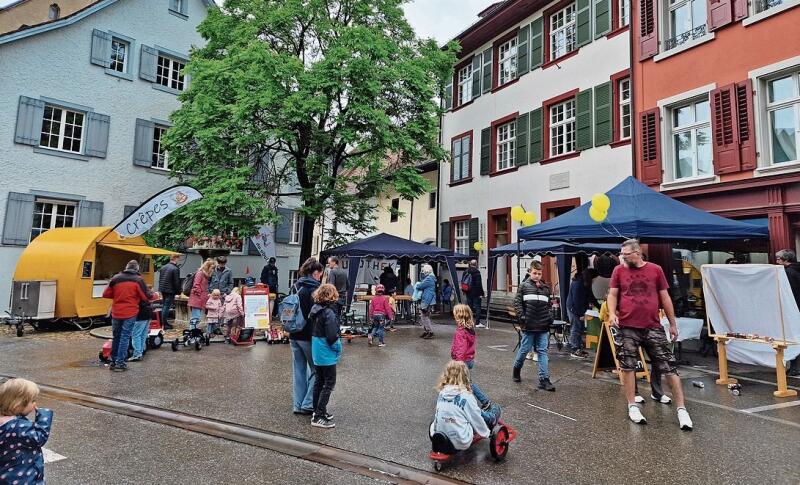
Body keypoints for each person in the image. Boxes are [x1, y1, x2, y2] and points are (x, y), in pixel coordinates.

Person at [607, 239, 692, 429]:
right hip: (627, 325)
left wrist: (672, 324)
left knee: (668, 366)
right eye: (622, 254)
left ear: (637, 253)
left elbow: (665, 297)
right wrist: (612, 313)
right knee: (627, 365)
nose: (622, 258)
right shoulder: (618, 271)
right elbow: (612, 294)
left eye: (626, 254)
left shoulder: (655, 270)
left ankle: (682, 409)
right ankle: (632, 405)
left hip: (652, 325)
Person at [429, 360, 501, 452]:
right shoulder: (467, 396)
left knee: (444, 414)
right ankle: (492, 418)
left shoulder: (442, 393)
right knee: (488, 410)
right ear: (465, 376)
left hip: (439, 438)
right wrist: (486, 433)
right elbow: (476, 418)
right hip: (461, 441)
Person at [512, 261, 556, 391]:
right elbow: (517, 303)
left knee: (542, 351)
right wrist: (523, 318)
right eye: (535, 273)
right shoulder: (523, 286)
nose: (537, 275)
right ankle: (516, 369)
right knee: (524, 349)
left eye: (539, 273)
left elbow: (549, 306)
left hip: (543, 325)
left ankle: (544, 379)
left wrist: (550, 317)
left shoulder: (545, 289)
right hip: (529, 325)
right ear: (529, 272)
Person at [0, 378, 53, 484]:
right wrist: (43, 417)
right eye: (32, 401)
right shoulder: (18, 426)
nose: (34, 404)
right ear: (18, 405)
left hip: (6, 475)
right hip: (23, 477)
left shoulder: (4, 421)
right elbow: (39, 438)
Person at [103, 260, 152, 372]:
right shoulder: (138, 280)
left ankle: (113, 361)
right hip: (130, 312)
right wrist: (153, 295)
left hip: (116, 312)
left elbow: (106, 294)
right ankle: (120, 363)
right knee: (125, 337)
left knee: (117, 336)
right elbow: (146, 296)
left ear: (126, 267)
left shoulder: (115, 278)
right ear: (137, 269)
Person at [290, 257, 324, 415]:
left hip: (294, 332)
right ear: (316, 273)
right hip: (309, 335)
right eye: (320, 274)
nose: (320, 277)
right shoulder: (316, 289)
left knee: (299, 370)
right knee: (318, 370)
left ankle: (298, 404)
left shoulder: (295, 286)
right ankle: (308, 403)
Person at [308, 283, 343, 428]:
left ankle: (316, 410)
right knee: (329, 383)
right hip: (326, 351)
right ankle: (319, 415)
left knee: (319, 381)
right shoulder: (328, 312)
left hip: (317, 349)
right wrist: (338, 348)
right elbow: (332, 336)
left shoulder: (315, 309)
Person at [450, 304, 492, 405]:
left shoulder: (461, 332)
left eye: (455, 315)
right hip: (468, 359)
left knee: (467, 383)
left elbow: (461, 348)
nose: (454, 317)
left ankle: (485, 401)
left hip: (462, 361)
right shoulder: (469, 329)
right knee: (458, 381)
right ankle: (457, 400)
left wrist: (458, 362)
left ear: (459, 316)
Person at [566, 268, 600, 358]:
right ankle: (574, 349)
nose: (595, 280)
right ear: (590, 277)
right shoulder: (578, 284)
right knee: (575, 328)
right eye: (594, 278)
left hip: (578, 308)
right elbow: (577, 301)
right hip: (573, 309)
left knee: (579, 328)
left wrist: (599, 306)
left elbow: (590, 296)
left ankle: (579, 348)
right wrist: (581, 314)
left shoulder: (585, 282)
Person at [776, 249, 800, 375]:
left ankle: (795, 367)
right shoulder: (796, 269)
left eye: (778, 259)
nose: (777, 261)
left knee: (793, 336)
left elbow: (788, 293)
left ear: (785, 260)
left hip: (793, 308)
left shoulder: (787, 273)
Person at [129, 286, 159, 362]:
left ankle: (137, 354)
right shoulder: (144, 290)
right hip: (148, 313)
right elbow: (154, 296)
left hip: (140, 315)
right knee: (143, 334)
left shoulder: (134, 292)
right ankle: (140, 351)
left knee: (136, 335)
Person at [158, 254, 182, 329]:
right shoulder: (175, 268)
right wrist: (179, 292)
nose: (179, 260)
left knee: (164, 306)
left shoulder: (163, 267)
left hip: (163, 289)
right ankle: (164, 324)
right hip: (170, 290)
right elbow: (176, 282)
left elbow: (161, 279)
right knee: (166, 307)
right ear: (175, 258)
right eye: (178, 258)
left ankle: (163, 323)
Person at [188, 259, 214, 325]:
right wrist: (200, 295)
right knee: (195, 318)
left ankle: (194, 332)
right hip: (197, 298)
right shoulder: (200, 273)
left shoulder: (206, 275)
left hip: (200, 299)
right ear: (207, 267)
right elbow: (196, 285)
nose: (212, 270)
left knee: (196, 317)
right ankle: (193, 333)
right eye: (212, 268)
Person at [415, 264, 437, 338]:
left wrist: (418, 284)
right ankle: (426, 331)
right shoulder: (431, 278)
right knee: (424, 316)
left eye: (423, 271)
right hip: (428, 300)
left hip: (426, 300)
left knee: (424, 316)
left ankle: (429, 331)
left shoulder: (429, 279)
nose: (422, 272)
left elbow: (419, 286)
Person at [462, 260, 485, 328]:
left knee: (469, 307)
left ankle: (468, 322)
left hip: (468, 291)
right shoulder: (477, 272)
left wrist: (464, 290)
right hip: (476, 293)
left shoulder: (466, 271)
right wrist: (482, 293)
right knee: (478, 307)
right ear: (476, 264)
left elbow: (463, 281)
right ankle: (477, 322)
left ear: (470, 264)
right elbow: (479, 284)